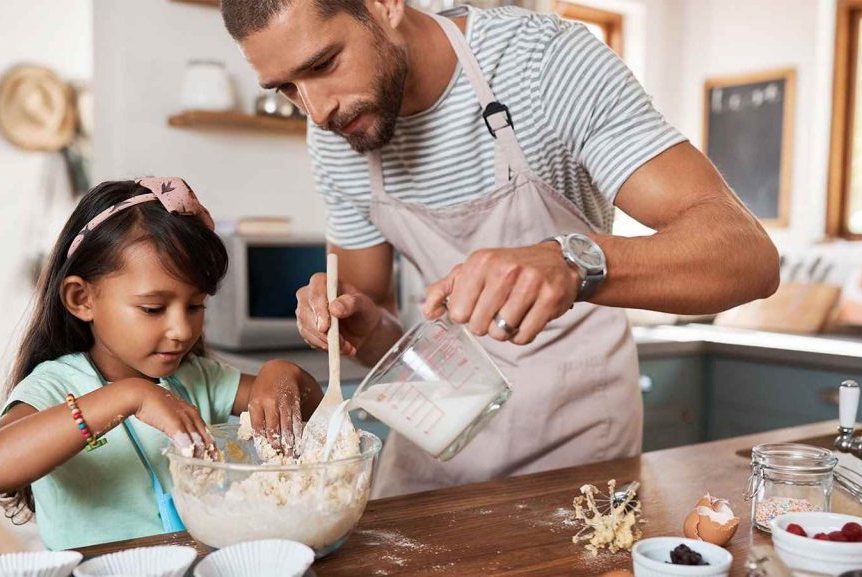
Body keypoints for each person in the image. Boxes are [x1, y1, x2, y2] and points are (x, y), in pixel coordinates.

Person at [220, 0, 780, 497]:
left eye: (322, 65)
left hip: (574, 436)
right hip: (437, 423)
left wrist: (573, 261)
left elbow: (748, 257)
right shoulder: (337, 133)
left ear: (385, 4)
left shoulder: (543, 64)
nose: (316, 111)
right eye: (288, 88)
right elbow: (376, 323)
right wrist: (354, 323)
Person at [0, 178, 323, 550]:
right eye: (153, 308)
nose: (182, 330)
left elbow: (316, 410)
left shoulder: (198, 379)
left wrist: (284, 373)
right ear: (81, 299)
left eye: (195, 306)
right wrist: (129, 397)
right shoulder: (56, 385)